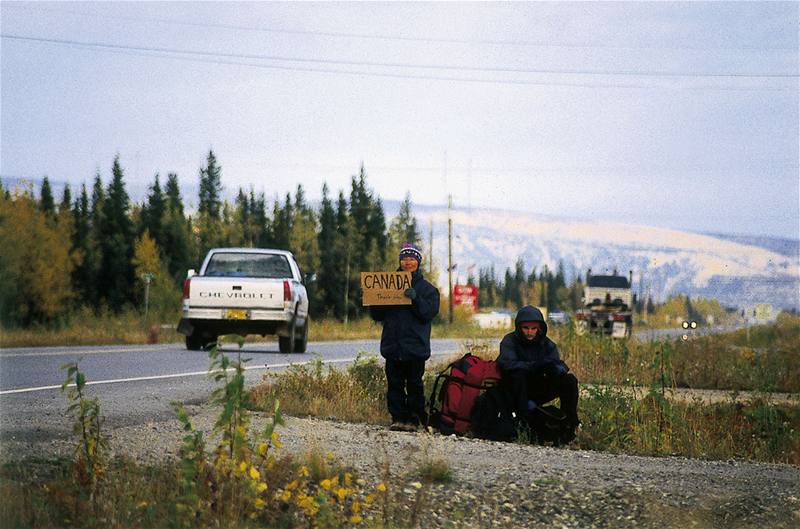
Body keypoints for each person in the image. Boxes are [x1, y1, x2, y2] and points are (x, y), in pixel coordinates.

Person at [369, 243, 440, 431]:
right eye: (404, 258)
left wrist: (415, 298)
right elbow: (376, 316)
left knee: (415, 384)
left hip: (415, 347)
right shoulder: (387, 284)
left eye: (411, 258)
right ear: (400, 261)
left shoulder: (428, 290)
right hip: (393, 345)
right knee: (395, 384)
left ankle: (414, 420)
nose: (407, 262)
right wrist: (372, 298)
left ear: (418, 261)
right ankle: (398, 419)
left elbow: (428, 314)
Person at [497, 305, 580, 433]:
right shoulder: (510, 341)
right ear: (519, 327)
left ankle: (569, 423)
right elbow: (506, 364)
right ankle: (523, 421)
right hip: (516, 390)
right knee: (518, 374)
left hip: (539, 387)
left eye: (533, 328)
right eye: (525, 328)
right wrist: (534, 366)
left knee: (569, 380)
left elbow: (557, 364)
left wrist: (555, 369)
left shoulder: (548, 344)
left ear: (539, 328)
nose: (529, 332)